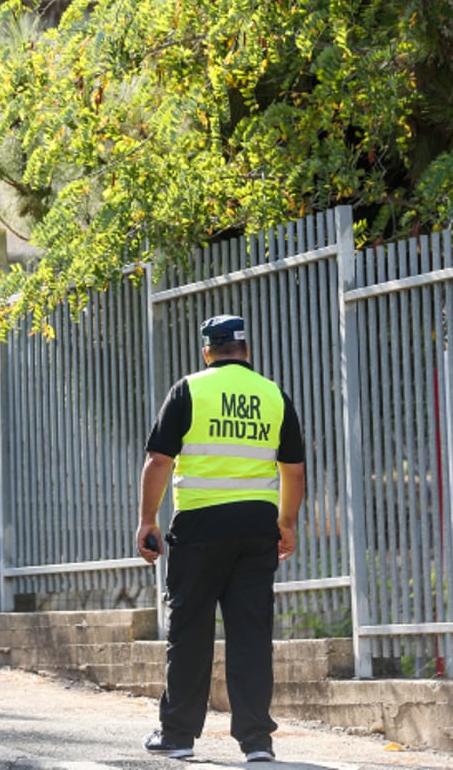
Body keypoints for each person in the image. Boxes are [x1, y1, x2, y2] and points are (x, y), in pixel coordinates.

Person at [136, 315, 305, 763]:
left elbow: (158, 462)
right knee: (251, 633)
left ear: (207, 351)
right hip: (256, 529)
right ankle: (256, 742)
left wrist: (147, 520)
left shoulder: (189, 389)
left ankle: (177, 737)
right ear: (245, 351)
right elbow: (293, 469)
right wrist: (286, 522)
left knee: (190, 629)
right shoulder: (274, 395)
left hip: (199, 528)